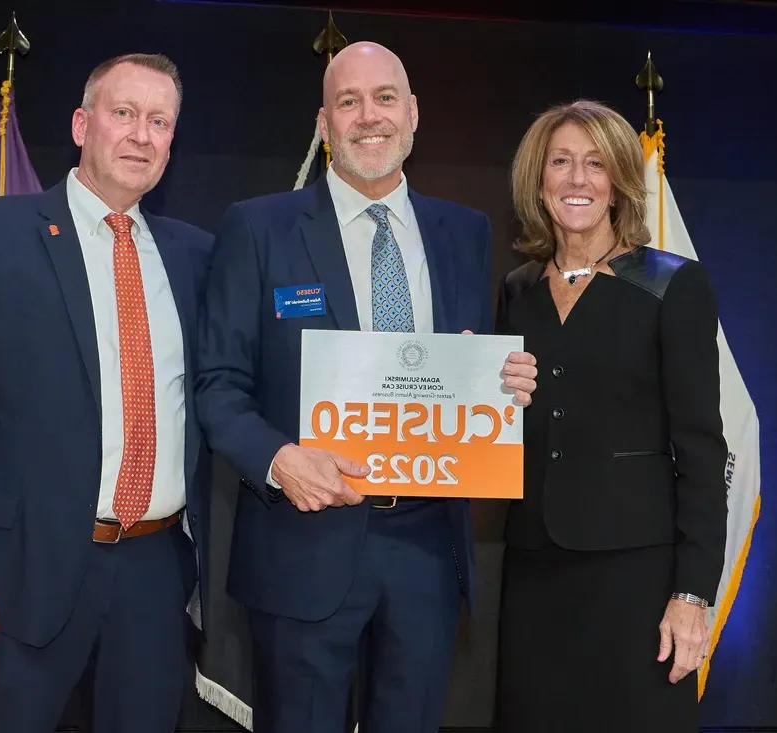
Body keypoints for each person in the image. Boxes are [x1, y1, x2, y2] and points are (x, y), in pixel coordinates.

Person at [194, 41, 537, 733]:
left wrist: (501, 383)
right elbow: (215, 384)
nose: (368, 116)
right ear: (325, 125)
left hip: (427, 553)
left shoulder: (464, 233)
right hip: (301, 544)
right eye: (347, 102)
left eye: (384, 98)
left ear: (413, 114)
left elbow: (466, 373)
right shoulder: (258, 228)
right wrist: (280, 460)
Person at [0, 53, 213, 733]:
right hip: (19, 574)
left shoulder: (197, 256)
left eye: (160, 121)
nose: (141, 134)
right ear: (81, 123)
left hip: (156, 574)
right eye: (123, 113)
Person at [493, 99, 728, 732]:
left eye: (596, 164)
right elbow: (504, 431)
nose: (577, 180)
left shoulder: (673, 286)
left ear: (621, 180)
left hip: (639, 580)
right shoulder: (517, 290)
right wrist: (478, 392)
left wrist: (693, 592)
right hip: (535, 572)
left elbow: (704, 452)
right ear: (537, 182)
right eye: (561, 162)